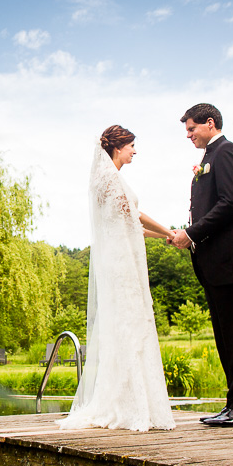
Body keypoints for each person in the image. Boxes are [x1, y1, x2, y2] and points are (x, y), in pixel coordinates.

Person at [59, 125, 176, 432]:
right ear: (118, 147)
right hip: (121, 262)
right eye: (132, 146)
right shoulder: (110, 178)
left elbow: (127, 224)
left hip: (117, 257)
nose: (135, 151)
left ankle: (131, 401)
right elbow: (134, 217)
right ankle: (130, 406)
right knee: (130, 322)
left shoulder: (105, 178)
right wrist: (169, 231)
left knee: (125, 323)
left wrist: (161, 237)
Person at [169, 104, 233, 427]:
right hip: (216, 265)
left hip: (232, 264)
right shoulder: (210, 157)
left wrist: (192, 233)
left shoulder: (228, 153)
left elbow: (230, 203)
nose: (188, 135)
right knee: (226, 339)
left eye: (191, 128)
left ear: (210, 123)